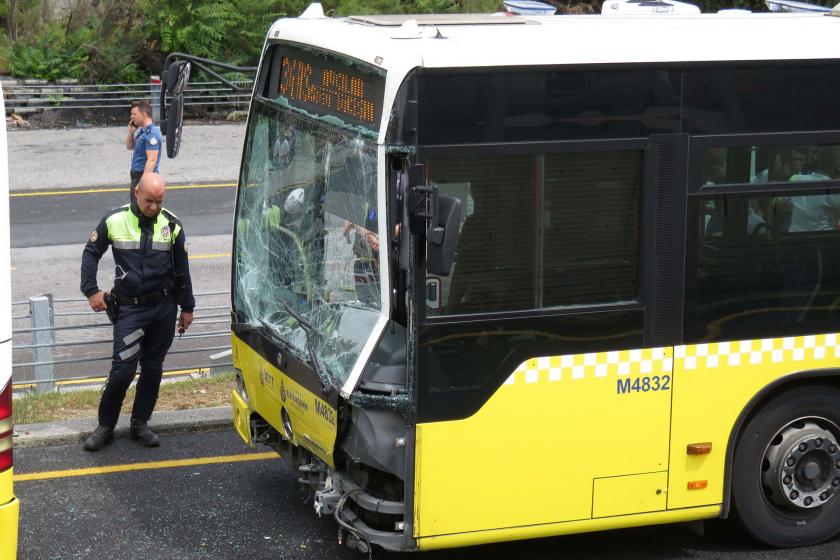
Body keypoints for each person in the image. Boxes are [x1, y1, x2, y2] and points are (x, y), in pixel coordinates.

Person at [80, 173, 194, 451]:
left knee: (153, 368)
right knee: (122, 371)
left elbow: (182, 269)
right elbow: (91, 253)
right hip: (130, 309)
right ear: (136, 192)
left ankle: (140, 423)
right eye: (149, 201)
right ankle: (105, 426)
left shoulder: (172, 225)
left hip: (163, 308)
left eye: (159, 201)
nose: (154, 207)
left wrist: (187, 307)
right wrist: (91, 291)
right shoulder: (114, 220)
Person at [126, 100, 163, 204]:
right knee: (135, 209)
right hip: (137, 177)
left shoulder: (151, 134)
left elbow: (152, 160)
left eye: (134, 114)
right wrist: (131, 133)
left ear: (144, 114)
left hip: (144, 177)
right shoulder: (142, 131)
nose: (131, 117)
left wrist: (142, 183)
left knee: (140, 212)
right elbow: (129, 147)